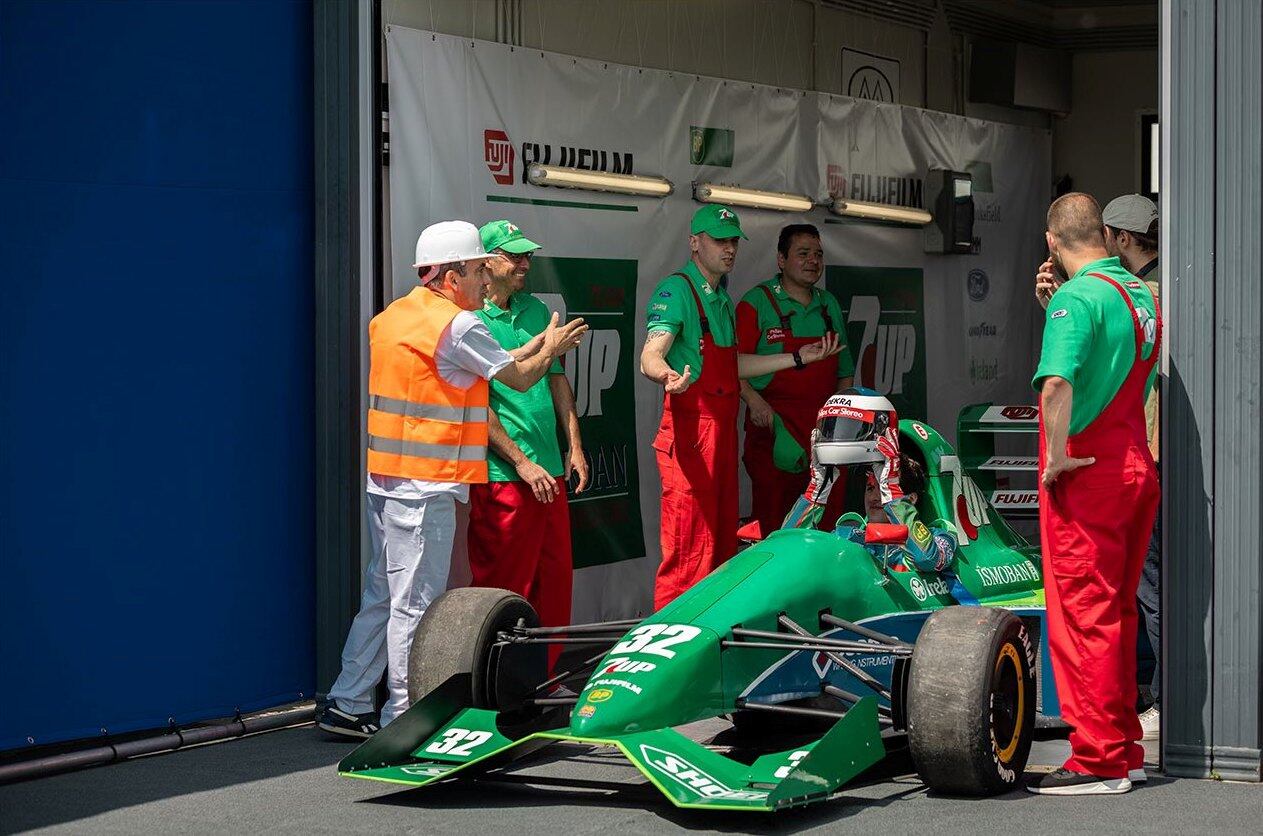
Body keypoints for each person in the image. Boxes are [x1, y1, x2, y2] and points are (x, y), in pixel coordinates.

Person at [317, 220, 587, 738]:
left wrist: (537, 342)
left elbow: (494, 360)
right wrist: (551, 349)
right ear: (449, 275)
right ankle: (403, 718)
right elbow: (520, 376)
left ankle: (349, 698)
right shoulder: (457, 326)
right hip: (426, 486)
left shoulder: (394, 317)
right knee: (413, 605)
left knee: (383, 593)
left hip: (388, 480)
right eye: (476, 270)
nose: (483, 281)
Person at [1026, 193, 1161, 796]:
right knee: (1119, 611)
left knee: (1083, 614)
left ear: (1053, 242)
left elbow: (1058, 383)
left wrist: (1055, 455)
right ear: (1104, 236)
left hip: (1089, 472)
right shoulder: (1136, 293)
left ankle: (1098, 761)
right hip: (1134, 463)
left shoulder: (1077, 300)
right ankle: (1123, 748)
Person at [640, 205, 840, 610]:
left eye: (733, 241)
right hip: (691, 438)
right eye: (719, 240)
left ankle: (712, 640)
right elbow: (651, 353)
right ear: (695, 243)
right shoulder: (675, 290)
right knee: (687, 551)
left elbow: (734, 366)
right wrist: (664, 375)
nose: (729, 249)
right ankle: (670, 639)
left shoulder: (722, 298)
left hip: (721, 435)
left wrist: (799, 357)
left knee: (719, 548)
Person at [467, 220, 588, 642]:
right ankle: (496, 685)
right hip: (505, 478)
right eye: (514, 255)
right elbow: (476, 405)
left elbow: (556, 378)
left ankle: (547, 680)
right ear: (486, 261)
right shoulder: (469, 320)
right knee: (503, 589)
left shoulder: (536, 309)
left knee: (554, 584)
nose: (524, 263)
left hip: (549, 472)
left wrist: (574, 445)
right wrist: (519, 461)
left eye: (527, 255)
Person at [736, 224, 856, 536]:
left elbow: (844, 371)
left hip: (823, 430)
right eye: (802, 254)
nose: (812, 261)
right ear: (781, 259)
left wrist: (838, 421)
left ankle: (827, 584)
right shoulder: (756, 303)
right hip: (773, 428)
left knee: (827, 522)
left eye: (818, 254)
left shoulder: (828, 304)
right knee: (774, 523)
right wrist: (752, 399)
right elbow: (730, 367)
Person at [1102, 195, 1163, 741]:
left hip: (1144, 452)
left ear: (1121, 239)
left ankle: (1161, 696)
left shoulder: (1133, 296)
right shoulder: (1165, 288)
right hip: (1167, 454)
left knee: (1148, 583)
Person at [782, 392, 957, 577]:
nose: (874, 497)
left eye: (882, 489)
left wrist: (891, 489)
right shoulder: (849, 536)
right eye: (870, 488)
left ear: (911, 498)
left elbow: (927, 560)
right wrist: (816, 490)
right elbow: (785, 550)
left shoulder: (940, 537)